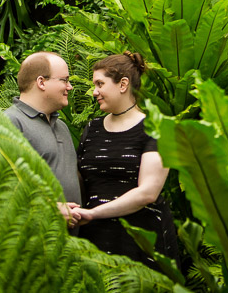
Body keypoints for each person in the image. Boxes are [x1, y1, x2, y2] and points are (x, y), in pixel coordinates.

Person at [70, 51, 179, 268]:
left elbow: (148, 192)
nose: (94, 92)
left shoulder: (156, 128)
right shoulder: (92, 129)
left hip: (142, 241)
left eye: (100, 84)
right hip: (95, 240)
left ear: (123, 84)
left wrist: (93, 214)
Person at [4, 51, 83, 228]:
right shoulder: (10, 122)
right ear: (41, 82)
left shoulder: (62, 127)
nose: (69, 87)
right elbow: (1, 185)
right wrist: (49, 209)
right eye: (64, 80)